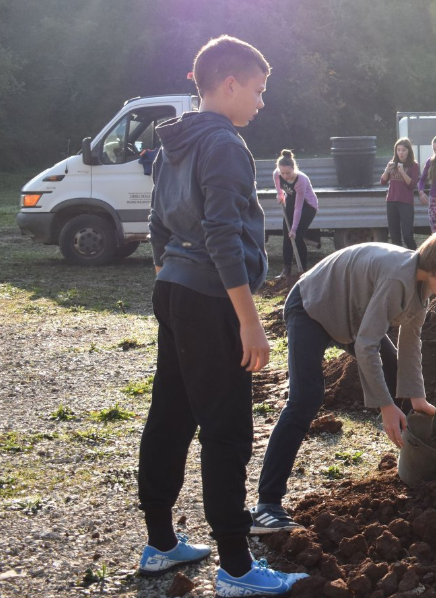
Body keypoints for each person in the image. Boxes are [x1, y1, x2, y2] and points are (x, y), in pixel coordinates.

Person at [139, 36, 305, 596]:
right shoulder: (225, 144)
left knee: (172, 413)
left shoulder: (175, 141)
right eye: (258, 90)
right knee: (228, 429)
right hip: (210, 298)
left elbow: (158, 223)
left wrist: (171, 275)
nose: (261, 102)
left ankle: (161, 543)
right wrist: (249, 319)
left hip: (174, 290)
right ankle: (236, 568)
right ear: (229, 84)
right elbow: (222, 235)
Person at [251, 229, 436, 532]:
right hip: (312, 306)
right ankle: (266, 506)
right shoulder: (397, 277)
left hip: (350, 316)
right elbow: (366, 345)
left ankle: (418, 467)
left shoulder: (422, 286)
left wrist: (417, 398)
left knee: (393, 369)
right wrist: (385, 405)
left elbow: (411, 343)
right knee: (305, 398)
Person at [273, 149, 319, 280]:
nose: (285, 176)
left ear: (294, 169)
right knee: (286, 236)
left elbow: (298, 208)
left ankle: (303, 271)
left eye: (288, 173)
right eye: (283, 173)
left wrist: (293, 229)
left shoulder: (301, 180)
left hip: (307, 206)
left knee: (296, 236)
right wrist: (280, 194)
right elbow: (277, 182)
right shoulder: (277, 174)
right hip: (291, 201)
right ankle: (286, 270)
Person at [381, 137, 421, 249]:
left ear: (409, 151)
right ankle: (398, 261)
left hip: (405, 203)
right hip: (391, 201)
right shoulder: (392, 164)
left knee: (407, 235)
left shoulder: (414, 165)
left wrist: (402, 171)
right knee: (394, 236)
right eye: (398, 150)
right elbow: (383, 181)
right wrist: (387, 170)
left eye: (403, 150)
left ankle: (416, 258)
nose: (401, 153)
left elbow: (412, 185)